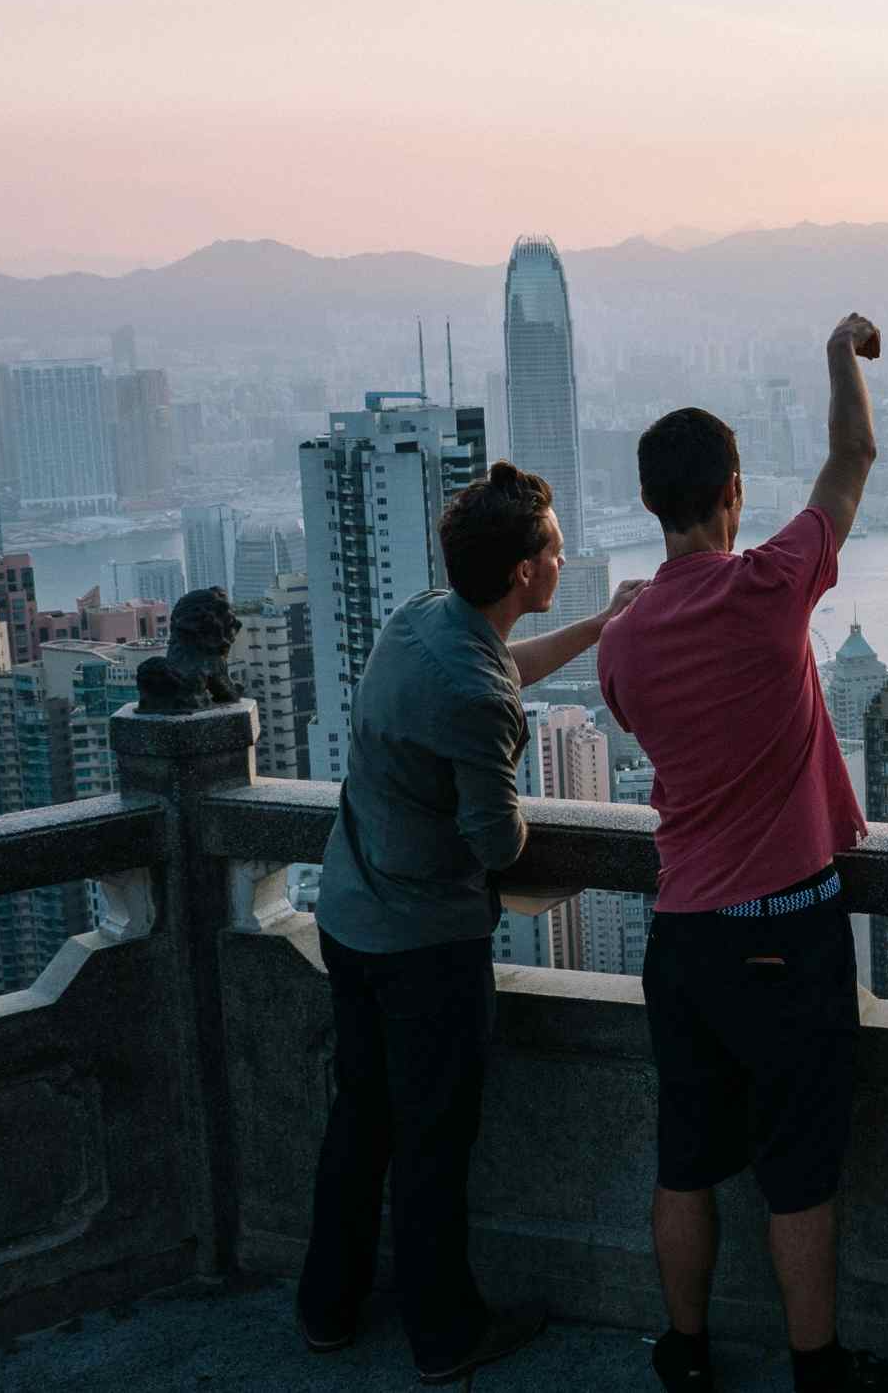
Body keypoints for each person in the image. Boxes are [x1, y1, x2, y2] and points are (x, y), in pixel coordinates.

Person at [601, 314, 888, 1393]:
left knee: (685, 1160)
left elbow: (644, 726)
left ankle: (685, 1356)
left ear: (652, 502)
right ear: (731, 492)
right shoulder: (771, 586)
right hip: (787, 927)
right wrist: (839, 356)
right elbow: (853, 455)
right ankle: (817, 1372)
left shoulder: (623, 640)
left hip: (683, 937)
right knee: (797, 1169)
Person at [298, 461, 644, 1385]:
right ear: (525, 572)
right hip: (423, 947)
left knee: (360, 1118)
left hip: (350, 913)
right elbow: (498, 841)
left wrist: (599, 627)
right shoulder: (476, 699)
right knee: (432, 1142)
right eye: (556, 550)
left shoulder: (420, 620)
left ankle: (327, 1305)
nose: (564, 559)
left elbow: (496, 667)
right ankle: (445, 1333)